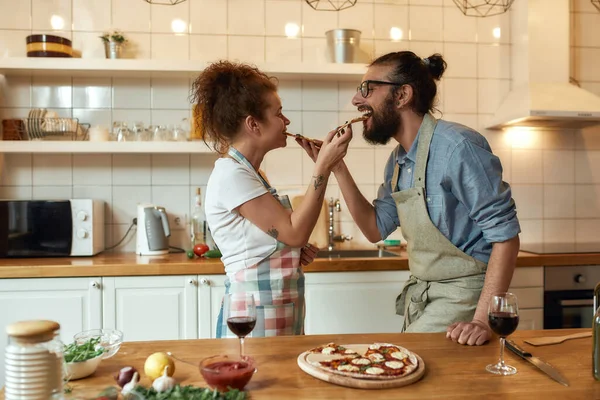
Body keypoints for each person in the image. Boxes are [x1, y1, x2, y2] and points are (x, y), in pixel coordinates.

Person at [297, 51, 521, 346]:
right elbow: (374, 229)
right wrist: (337, 166)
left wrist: (481, 320)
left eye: (367, 89)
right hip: (424, 298)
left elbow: (506, 237)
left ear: (402, 95)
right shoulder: (398, 160)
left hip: (465, 301)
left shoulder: (458, 147)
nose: (356, 100)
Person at [191, 60, 351, 338]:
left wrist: (288, 253)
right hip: (253, 320)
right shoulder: (232, 175)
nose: (286, 121)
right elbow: (294, 232)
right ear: (253, 124)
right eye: (279, 113)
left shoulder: (250, 173)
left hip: (276, 313)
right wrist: (323, 167)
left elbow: (278, 237)